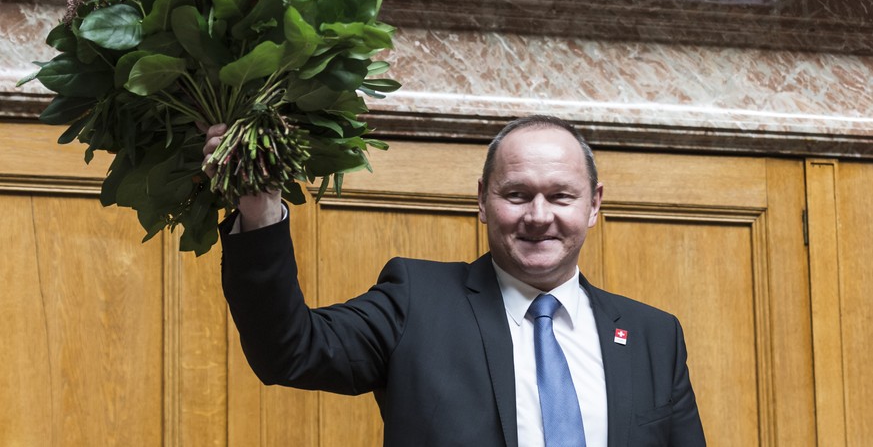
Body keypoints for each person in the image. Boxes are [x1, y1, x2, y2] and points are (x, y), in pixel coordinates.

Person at [207, 114, 706, 447]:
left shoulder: (653, 336)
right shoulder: (415, 301)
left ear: (594, 204)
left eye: (560, 196)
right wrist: (262, 210)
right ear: (482, 201)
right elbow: (289, 350)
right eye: (516, 194)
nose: (538, 216)